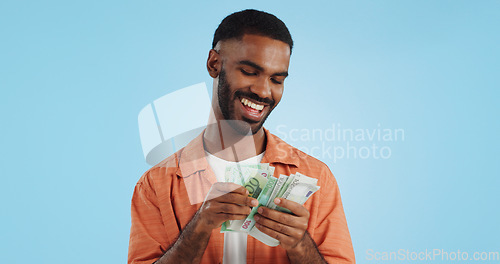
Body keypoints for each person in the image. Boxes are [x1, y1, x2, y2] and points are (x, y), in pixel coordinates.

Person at [128, 9, 355, 264]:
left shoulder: (317, 177)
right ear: (214, 64)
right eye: (249, 72)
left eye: (276, 79)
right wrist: (199, 227)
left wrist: (300, 244)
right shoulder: (156, 185)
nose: (263, 91)